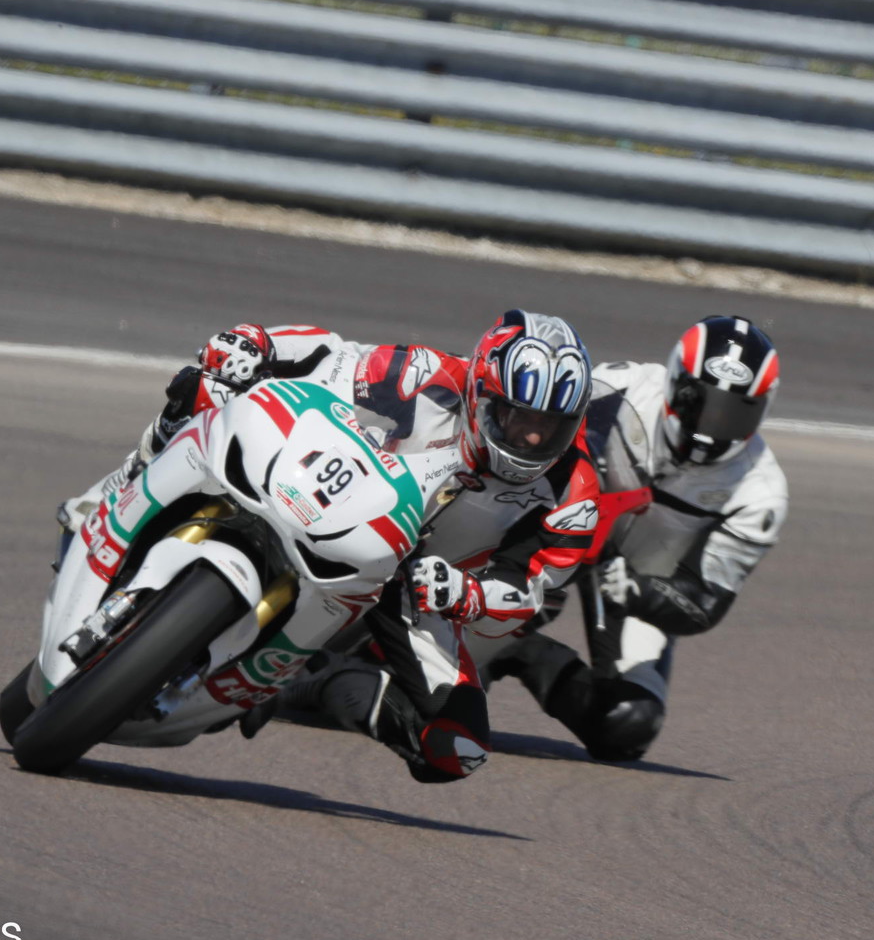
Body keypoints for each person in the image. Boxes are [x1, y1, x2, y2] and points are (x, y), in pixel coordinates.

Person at [63, 311, 599, 783]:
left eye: (551, 425)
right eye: (518, 417)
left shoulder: (573, 492)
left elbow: (529, 588)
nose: (533, 438)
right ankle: (120, 488)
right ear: (480, 394)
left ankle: (308, 681)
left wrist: (466, 594)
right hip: (331, 487)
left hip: (417, 582)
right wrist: (259, 343)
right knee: (205, 391)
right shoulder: (426, 375)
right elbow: (329, 355)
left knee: (458, 748)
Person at [485, 315, 789, 763]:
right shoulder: (615, 389)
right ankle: (467, 636)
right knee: (484, 617)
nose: (711, 427)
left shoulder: (760, 492)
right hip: (559, 537)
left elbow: (705, 601)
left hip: (641, 581)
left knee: (627, 723)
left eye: (732, 414)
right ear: (674, 382)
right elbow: (519, 449)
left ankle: (519, 652)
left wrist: (635, 589)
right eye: (698, 403)